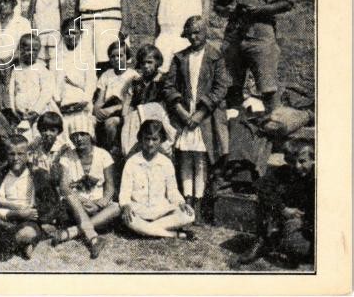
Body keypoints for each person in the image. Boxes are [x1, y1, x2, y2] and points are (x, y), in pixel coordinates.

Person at [213, 0, 294, 113]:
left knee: (268, 89)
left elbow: (287, 2)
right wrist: (229, 10)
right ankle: (237, 127)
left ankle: (274, 127)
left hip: (261, 37)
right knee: (231, 88)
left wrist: (260, 10)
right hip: (233, 38)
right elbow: (217, 6)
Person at [163, 16, 229, 224]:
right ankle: (187, 199)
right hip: (184, 113)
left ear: (205, 32)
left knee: (200, 159)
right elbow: (168, 86)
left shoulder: (215, 56)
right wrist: (181, 111)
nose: (194, 37)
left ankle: (198, 202)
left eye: (197, 32)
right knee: (185, 158)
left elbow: (221, 87)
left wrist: (201, 113)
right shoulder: (180, 57)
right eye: (190, 33)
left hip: (206, 116)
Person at [236, 139, 314, 267]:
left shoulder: (317, 178)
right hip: (287, 218)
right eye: (292, 162)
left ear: (313, 159)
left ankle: (281, 241)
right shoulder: (285, 171)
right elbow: (261, 187)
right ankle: (261, 242)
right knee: (264, 198)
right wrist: (283, 209)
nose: (297, 166)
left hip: (308, 225)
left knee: (297, 247)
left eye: (302, 161)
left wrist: (303, 221)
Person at [0, 135, 63, 259]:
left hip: (28, 219)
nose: (16, 158)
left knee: (26, 233)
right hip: (4, 216)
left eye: (20, 154)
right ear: (6, 155)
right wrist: (16, 212)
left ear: (28, 154)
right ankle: (21, 245)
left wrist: (38, 216)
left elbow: (50, 203)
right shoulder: (0, 175)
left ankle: (11, 243)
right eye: (11, 154)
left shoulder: (38, 174)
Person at [51, 123, 120, 258]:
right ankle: (93, 237)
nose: (79, 138)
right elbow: (64, 186)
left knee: (117, 207)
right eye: (75, 135)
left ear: (90, 135)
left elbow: (110, 185)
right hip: (75, 205)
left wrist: (101, 203)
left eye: (83, 134)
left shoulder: (103, 154)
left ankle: (73, 231)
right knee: (69, 196)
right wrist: (82, 201)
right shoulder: (67, 157)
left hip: (98, 206)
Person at [119, 120, 195, 239]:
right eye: (147, 139)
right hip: (139, 212)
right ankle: (176, 234)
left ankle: (145, 230)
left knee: (189, 215)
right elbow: (125, 192)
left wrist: (181, 203)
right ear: (141, 139)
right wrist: (126, 205)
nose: (150, 144)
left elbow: (172, 191)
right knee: (129, 219)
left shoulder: (166, 163)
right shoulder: (131, 162)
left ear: (161, 140)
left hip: (161, 211)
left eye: (155, 139)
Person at [7, 33, 59, 142]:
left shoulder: (41, 69)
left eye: (34, 50)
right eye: (27, 49)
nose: (30, 53)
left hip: (39, 114)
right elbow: (11, 91)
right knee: (24, 138)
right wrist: (14, 110)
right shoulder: (16, 70)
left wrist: (36, 111)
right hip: (21, 114)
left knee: (38, 137)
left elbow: (47, 92)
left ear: (39, 51)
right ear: (20, 50)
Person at [54, 17, 97, 147]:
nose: (70, 36)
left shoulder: (87, 55)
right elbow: (54, 80)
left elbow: (91, 81)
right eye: (67, 33)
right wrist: (58, 100)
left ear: (80, 33)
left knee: (81, 131)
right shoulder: (57, 55)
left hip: (81, 103)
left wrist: (85, 100)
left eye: (74, 32)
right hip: (62, 104)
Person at [93, 40, 138, 155]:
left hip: (125, 111)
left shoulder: (133, 75)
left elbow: (133, 102)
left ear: (127, 57)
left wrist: (114, 109)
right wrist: (97, 109)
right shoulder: (106, 74)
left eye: (120, 55)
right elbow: (100, 98)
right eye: (113, 56)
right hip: (108, 108)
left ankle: (112, 151)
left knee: (111, 123)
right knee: (91, 120)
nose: (116, 59)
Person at [28, 0, 66, 68]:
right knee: (39, 65)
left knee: (55, 65)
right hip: (40, 36)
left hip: (55, 36)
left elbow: (63, 18)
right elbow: (30, 18)